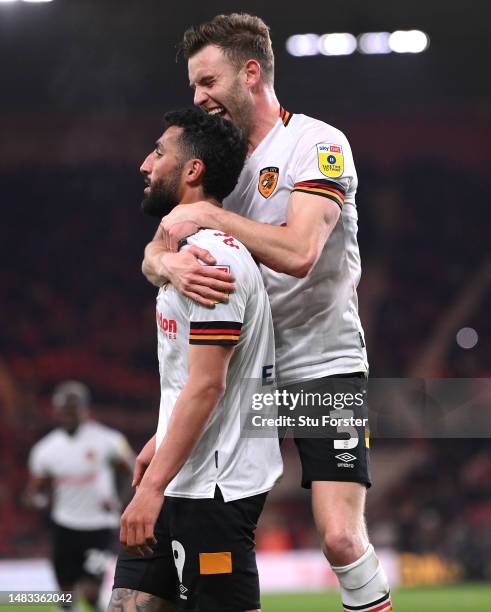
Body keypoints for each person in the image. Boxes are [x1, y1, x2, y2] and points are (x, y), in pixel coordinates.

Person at [142, 14, 393, 612]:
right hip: (241, 371)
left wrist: (210, 218)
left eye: (208, 82)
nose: (198, 98)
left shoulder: (317, 144)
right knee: (196, 517)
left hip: (316, 364)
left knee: (338, 536)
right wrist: (165, 264)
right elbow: (160, 240)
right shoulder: (213, 156)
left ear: (251, 73)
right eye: (193, 87)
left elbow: (302, 252)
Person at [109, 108, 282, 612]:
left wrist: (151, 489)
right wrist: (161, 440)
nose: (145, 163)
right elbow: (191, 378)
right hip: (179, 470)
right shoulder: (183, 257)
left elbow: (209, 385)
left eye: (159, 151)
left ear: (192, 171)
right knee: (126, 604)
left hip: (213, 488)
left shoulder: (213, 263)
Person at [25, 380, 135, 610]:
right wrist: (36, 500)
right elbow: (35, 491)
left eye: (73, 408)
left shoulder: (108, 440)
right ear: (56, 411)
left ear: (85, 409)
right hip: (65, 526)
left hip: (99, 528)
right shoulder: (45, 450)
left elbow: (133, 470)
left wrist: (120, 501)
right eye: (64, 409)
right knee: (65, 596)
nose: (68, 414)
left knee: (91, 592)